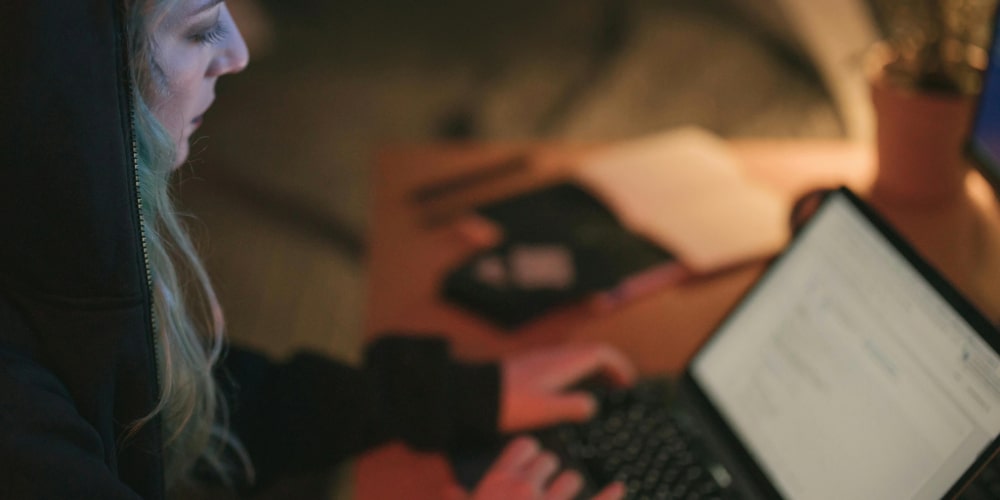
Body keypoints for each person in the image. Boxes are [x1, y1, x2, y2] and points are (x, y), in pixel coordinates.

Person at [0, 1, 636, 498]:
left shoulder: (53, 247)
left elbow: (194, 410)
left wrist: (454, 396)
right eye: (199, 30)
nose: (239, 53)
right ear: (68, 81)